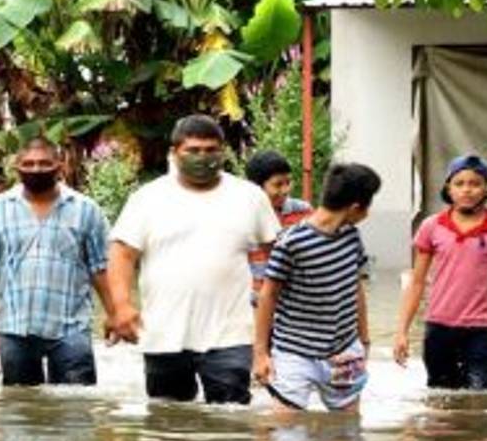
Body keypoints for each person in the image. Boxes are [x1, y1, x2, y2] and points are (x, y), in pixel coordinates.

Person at [108, 115, 281, 405]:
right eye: (194, 150)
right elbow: (122, 253)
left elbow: (277, 255)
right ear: (175, 153)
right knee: (168, 421)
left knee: (231, 421)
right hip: (164, 333)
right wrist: (122, 306)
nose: (203, 157)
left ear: (223, 151)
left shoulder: (250, 197)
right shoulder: (148, 198)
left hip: (231, 335)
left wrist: (276, 317)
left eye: (211, 150)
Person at [0, 137, 114, 385]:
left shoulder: (86, 210)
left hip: (71, 327)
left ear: (60, 165)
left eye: (44, 163)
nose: (36, 169)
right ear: (17, 167)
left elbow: (100, 266)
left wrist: (114, 312)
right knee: (20, 406)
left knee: (76, 405)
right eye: (28, 164)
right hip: (15, 326)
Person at [393, 154, 487, 389]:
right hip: (438, 329)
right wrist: (401, 332)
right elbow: (417, 282)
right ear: (449, 188)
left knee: (481, 399)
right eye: (460, 183)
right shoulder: (431, 227)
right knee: (441, 403)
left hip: (481, 331)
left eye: (475, 183)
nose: (467, 190)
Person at [254, 163, 382, 412]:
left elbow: (355, 288)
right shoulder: (291, 242)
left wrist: (364, 340)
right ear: (356, 207)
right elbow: (267, 295)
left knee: (347, 435)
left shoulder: (351, 237)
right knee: (285, 435)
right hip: (294, 352)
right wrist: (260, 354)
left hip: (344, 349)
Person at [245, 150, 314, 293]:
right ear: (257, 187)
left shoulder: (304, 212)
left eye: (288, 182)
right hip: (255, 297)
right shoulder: (244, 217)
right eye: (278, 184)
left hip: (294, 297)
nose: (285, 190)